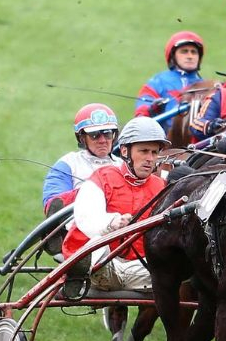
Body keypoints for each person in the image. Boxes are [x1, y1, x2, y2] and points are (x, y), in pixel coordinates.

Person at [60, 117, 170, 299]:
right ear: (125, 151)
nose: (150, 159)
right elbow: (85, 217)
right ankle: (78, 272)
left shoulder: (161, 187)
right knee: (97, 246)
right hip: (103, 265)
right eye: (143, 151)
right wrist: (111, 222)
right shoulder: (102, 178)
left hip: (140, 269)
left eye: (154, 152)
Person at [41, 104, 120, 214]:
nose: (102, 140)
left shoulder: (124, 165)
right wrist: (93, 191)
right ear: (82, 138)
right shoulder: (67, 164)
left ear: (114, 136)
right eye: (94, 135)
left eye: (107, 134)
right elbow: (53, 207)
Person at [134, 31, 207, 123]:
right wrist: (152, 109)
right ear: (172, 56)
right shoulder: (157, 82)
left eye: (194, 52)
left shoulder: (208, 86)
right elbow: (141, 114)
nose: (190, 56)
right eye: (184, 52)